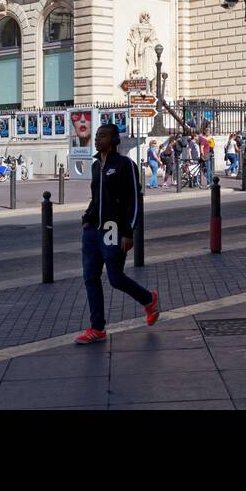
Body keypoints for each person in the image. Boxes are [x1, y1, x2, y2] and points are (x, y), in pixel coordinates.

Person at [73, 123, 159, 344]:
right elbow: (96, 197)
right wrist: (87, 218)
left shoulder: (124, 165)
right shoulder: (95, 166)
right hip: (93, 230)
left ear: (113, 141)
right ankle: (97, 328)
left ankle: (149, 299)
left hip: (114, 229)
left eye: (102, 136)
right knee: (90, 278)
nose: (97, 139)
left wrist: (129, 231)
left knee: (115, 278)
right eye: (97, 135)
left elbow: (133, 199)